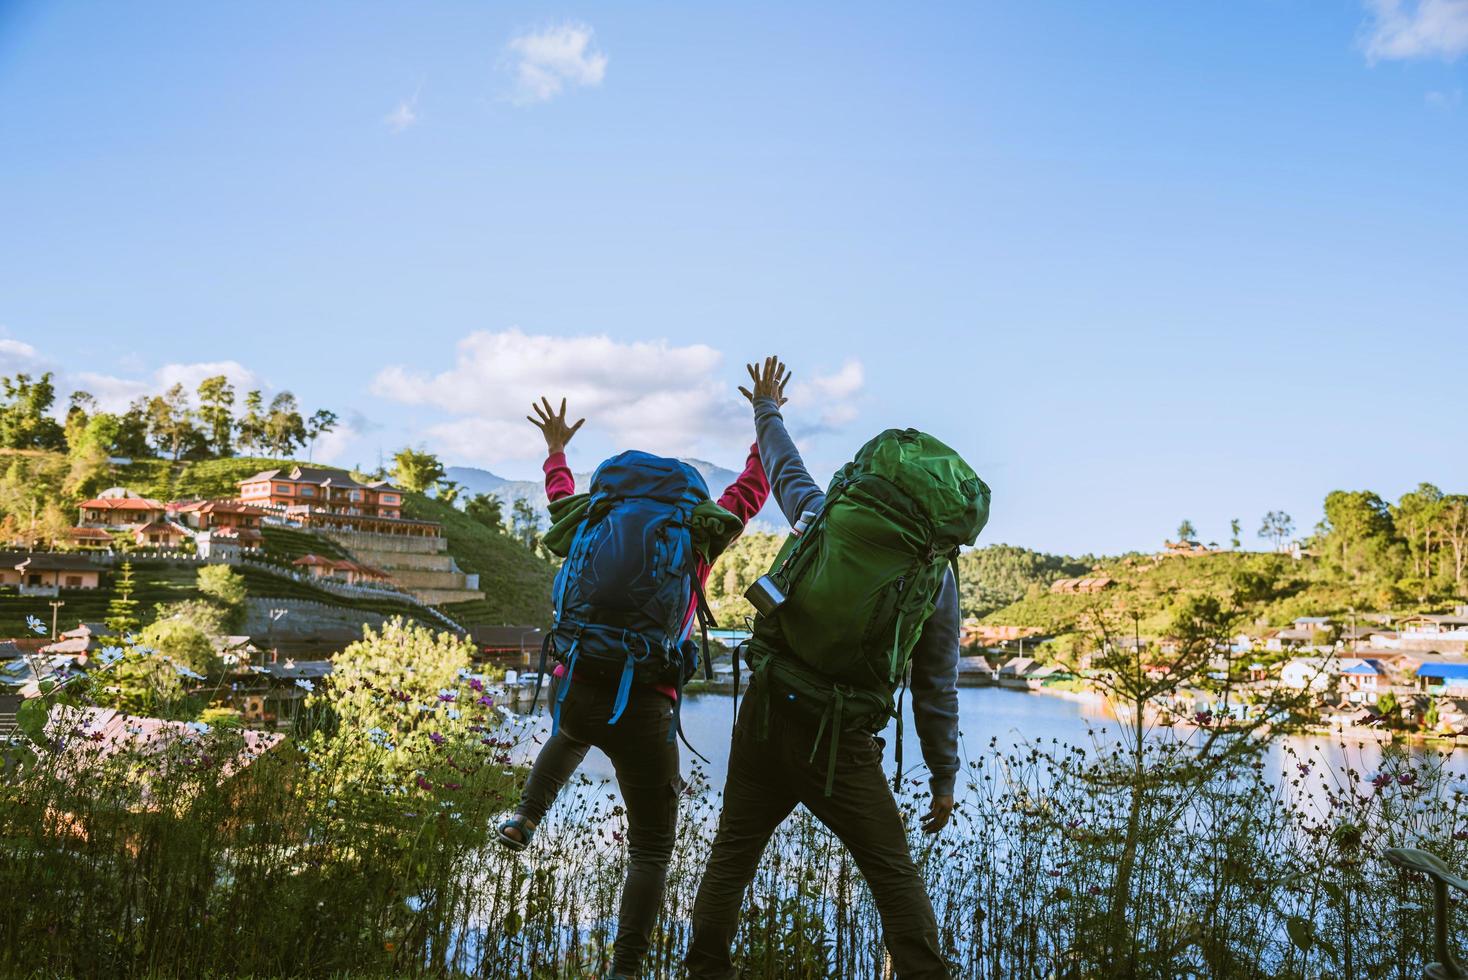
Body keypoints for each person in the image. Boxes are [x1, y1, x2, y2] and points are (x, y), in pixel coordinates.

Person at [686, 357, 988, 979]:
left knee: (731, 860)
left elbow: (784, 467)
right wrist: (943, 778)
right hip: (841, 741)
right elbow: (936, 689)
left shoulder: (825, 514)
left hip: (768, 710)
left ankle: (704, 971)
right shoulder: (935, 577)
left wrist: (766, 408)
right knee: (893, 875)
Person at [495, 396, 769, 980]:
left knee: (569, 732)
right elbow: (749, 493)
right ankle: (625, 968)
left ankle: (525, 814)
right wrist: (763, 432)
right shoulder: (697, 533)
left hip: (577, 683)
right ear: (688, 498)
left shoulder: (596, 517)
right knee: (649, 849)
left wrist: (555, 450)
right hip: (646, 704)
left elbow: (558, 499)